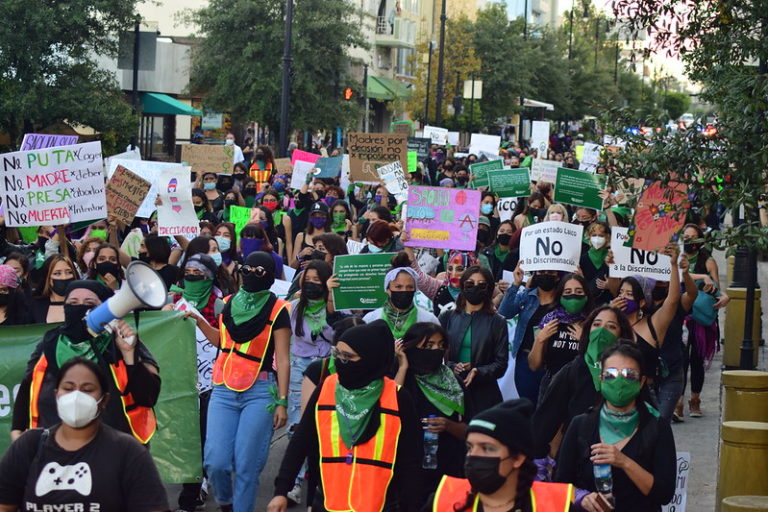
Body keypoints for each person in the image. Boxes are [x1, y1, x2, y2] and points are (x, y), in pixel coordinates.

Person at [267, 320, 422, 512]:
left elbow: (411, 460)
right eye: (337, 354)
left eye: (348, 357)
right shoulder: (326, 389)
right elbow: (301, 441)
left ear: (369, 358)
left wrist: (411, 506)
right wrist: (281, 490)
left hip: (381, 505)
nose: (340, 362)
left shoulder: (398, 398)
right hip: (328, 502)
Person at [0, 357, 169, 512]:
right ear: (56, 395)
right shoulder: (28, 446)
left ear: (104, 400)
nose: (76, 396)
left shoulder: (128, 452)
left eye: (87, 389)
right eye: (68, 388)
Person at [12, 280, 161, 444]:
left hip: (116, 449)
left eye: (89, 303)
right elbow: (27, 387)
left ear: (105, 308)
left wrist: (130, 355)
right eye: (73, 302)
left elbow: (148, 397)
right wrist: (17, 430)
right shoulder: (49, 343)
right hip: (54, 448)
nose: (79, 307)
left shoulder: (122, 342)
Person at [204, 251, 290, 512]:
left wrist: (282, 402)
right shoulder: (227, 303)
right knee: (215, 462)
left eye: (260, 271)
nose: (251, 275)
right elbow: (222, 342)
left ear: (270, 277)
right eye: (247, 269)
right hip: (222, 390)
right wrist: (197, 321)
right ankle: (226, 504)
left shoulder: (278, 310)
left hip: (260, 391)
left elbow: (284, 359)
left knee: (246, 465)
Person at [555, 341, 676, 512]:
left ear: (641, 381)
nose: (619, 380)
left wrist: (624, 462)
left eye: (629, 374)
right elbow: (560, 483)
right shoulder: (581, 425)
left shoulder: (656, 427)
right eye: (611, 374)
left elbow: (664, 494)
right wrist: (581, 497)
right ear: (601, 379)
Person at [429, 400, 575, 512]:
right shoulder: (442, 501)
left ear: (518, 458)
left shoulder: (555, 506)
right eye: (470, 447)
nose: (473, 455)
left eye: (487, 448)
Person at [532, 306, 634, 463]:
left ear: (622, 334)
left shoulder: (630, 371)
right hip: (577, 461)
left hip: (622, 458)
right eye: (597, 324)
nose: (601, 331)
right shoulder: (572, 370)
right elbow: (545, 420)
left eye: (611, 327)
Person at [165, 254, 222, 512]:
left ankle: (199, 484)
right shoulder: (172, 301)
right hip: (180, 379)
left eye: (197, 273)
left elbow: (223, 341)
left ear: (209, 277)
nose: (191, 276)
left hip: (210, 381)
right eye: (187, 271)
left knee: (203, 434)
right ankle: (192, 484)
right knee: (186, 436)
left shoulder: (220, 305)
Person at [394, 322, 467, 499]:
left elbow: (469, 429)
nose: (436, 350)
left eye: (441, 345)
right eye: (429, 345)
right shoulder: (402, 378)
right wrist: (402, 366)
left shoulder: (452, 381)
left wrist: (448, 426)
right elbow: (392, 407)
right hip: (409, 468)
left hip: (448, 465)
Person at [440, 266, 508, 417]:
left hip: (484, 393)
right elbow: (438, 356)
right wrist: (452, 366)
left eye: (481, 285)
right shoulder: (447, 317)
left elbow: (501, 364)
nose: (475, 288)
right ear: (463, 286)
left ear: (489, 289)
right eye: (470, 284)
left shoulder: (498, 322)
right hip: (452, 388)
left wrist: (478, 370)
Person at [679, 224, 729, 418]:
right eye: (686, 236)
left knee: (696, 359)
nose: (689, 240)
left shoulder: (707, 260)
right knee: (680, 360)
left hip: (699, 319)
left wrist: (724, 296)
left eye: (694, 237)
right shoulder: (677, 258)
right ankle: (679, 402)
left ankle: (695, 399)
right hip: (681, 315)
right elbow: (675, 276)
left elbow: (715, 288)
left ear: (701, 240)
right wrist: (701, 277)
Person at [499, 262, 560, 407]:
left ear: (558, 276)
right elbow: (504, 312)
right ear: (535, 274)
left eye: (550, 272)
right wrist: (516, 284)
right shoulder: (526, 296)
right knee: (530, 406)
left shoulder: (564, 300)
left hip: (554, 362)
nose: (545, 275)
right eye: (541, 271)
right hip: (525, 363)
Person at [528, 273, 594, 402]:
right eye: (568, 291)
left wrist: (586, 341)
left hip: (582, 388)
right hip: (552, 386)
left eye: (579, 291)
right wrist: (540, 340)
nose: (573, 295)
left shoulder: (594, 323)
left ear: (586, 295)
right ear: (560, 296)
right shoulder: (550, 321)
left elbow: (599, 363)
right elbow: (533, 365)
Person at [363, 266, 440, 337]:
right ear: (387, 290)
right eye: (398, 287)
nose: (404, 291)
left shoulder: (428, 320)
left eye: (409, 287)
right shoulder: (371, 319)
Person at [29, 255, 79, 324]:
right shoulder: (35, 305)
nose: (64, 277)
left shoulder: (84, 303)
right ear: (48, 278)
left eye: (69, 272)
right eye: (57, 273)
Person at [579, 222, 612, 305]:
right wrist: (582, 278)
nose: (597, 239)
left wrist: (611, 285)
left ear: (607, 237)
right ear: (589, 237)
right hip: (589, 304)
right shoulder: (583, 259)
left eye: (601, 236)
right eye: (594, 235)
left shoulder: (612, 257)